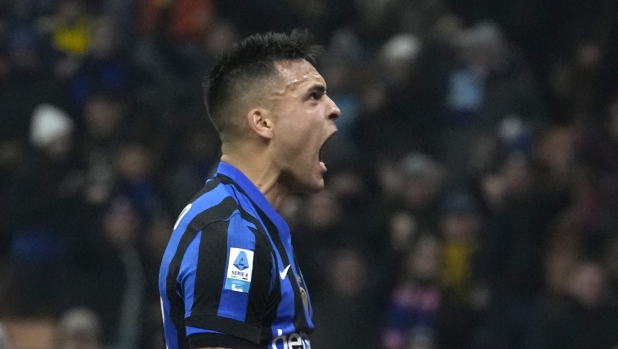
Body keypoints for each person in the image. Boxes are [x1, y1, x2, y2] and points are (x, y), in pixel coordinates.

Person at [158, 30, 340, 349]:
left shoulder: (249, 221)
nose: (334, 108)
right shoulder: (230, 232)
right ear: (263, 123)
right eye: (313, 96)